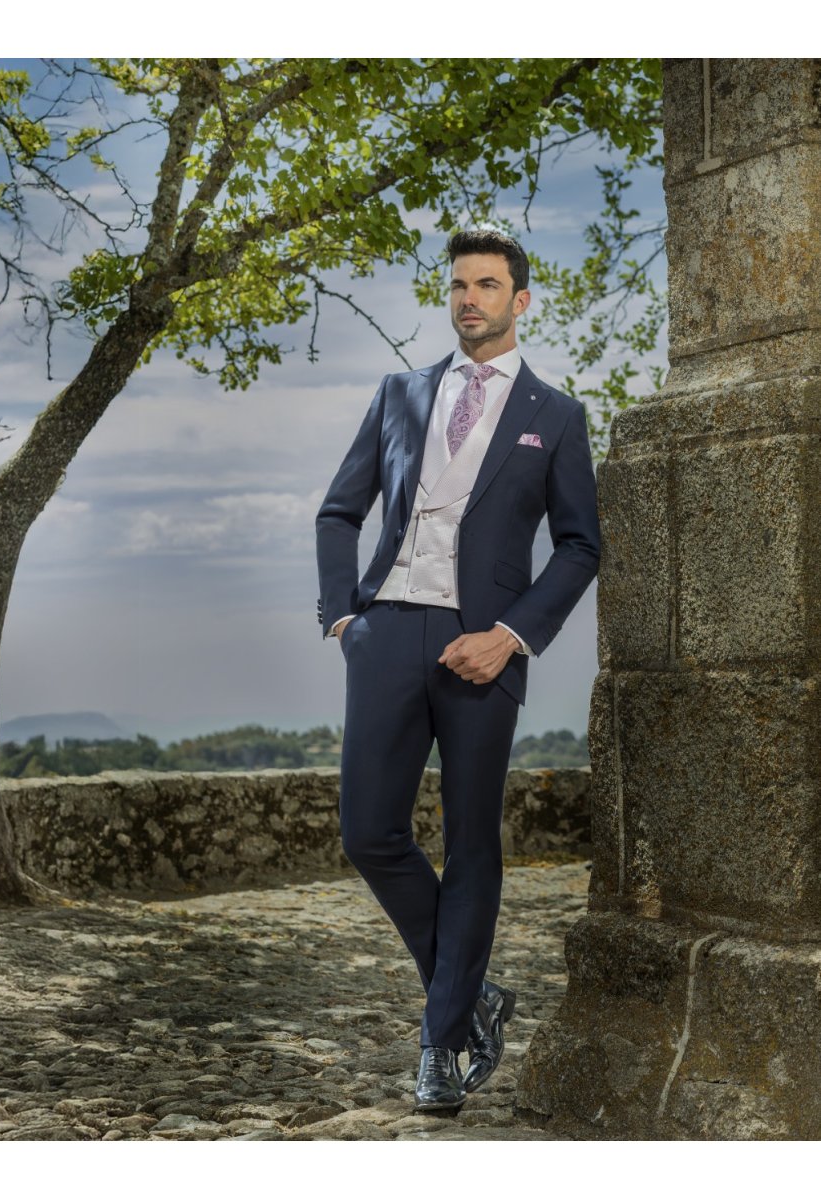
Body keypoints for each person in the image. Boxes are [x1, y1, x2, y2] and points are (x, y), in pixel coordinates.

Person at [315, 229, 600, 1113]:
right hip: (387, 631)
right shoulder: (400, 393)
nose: (469, 298)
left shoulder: (557, 416)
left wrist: (510, 635)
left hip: (485, 646)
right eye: (458, 285)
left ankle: (440, 1046)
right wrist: (344, 619)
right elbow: (338, 511)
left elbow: (580, 544)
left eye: (487, 284)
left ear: (521, 301)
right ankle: (472, 992)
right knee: (369, 831)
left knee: (473, 840)